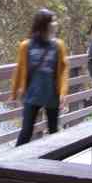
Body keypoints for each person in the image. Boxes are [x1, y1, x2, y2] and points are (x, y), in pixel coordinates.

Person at [10, 9, 69, 146]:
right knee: (26, 131)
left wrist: (63, 93)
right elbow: (19, 70)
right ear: (43, 24)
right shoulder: (26, 46)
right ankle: (14, 161)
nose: (55, 23)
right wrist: (14, 94)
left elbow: (63, 70)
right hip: (32, 95)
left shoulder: (58, 45)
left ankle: (55, 162)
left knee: (53, 131)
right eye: (52, 21)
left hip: (52, 94)